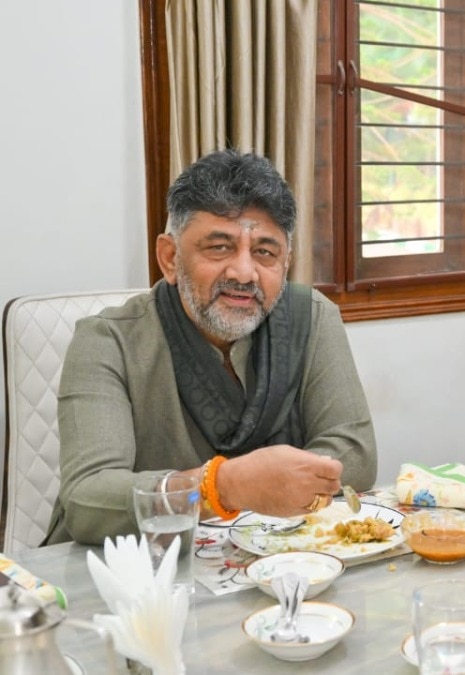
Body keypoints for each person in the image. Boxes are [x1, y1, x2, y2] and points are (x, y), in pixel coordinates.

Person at [46, 149, 378, 545]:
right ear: (170, 258)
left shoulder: (313, 318)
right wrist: (221, 486)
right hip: (140, 574)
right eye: (219, 247)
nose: (243, 272)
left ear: (285, 263)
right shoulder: (106, 341)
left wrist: (263, 490)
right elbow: (88, 500)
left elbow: (355, 456)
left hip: (277, 559)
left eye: (264, 252)